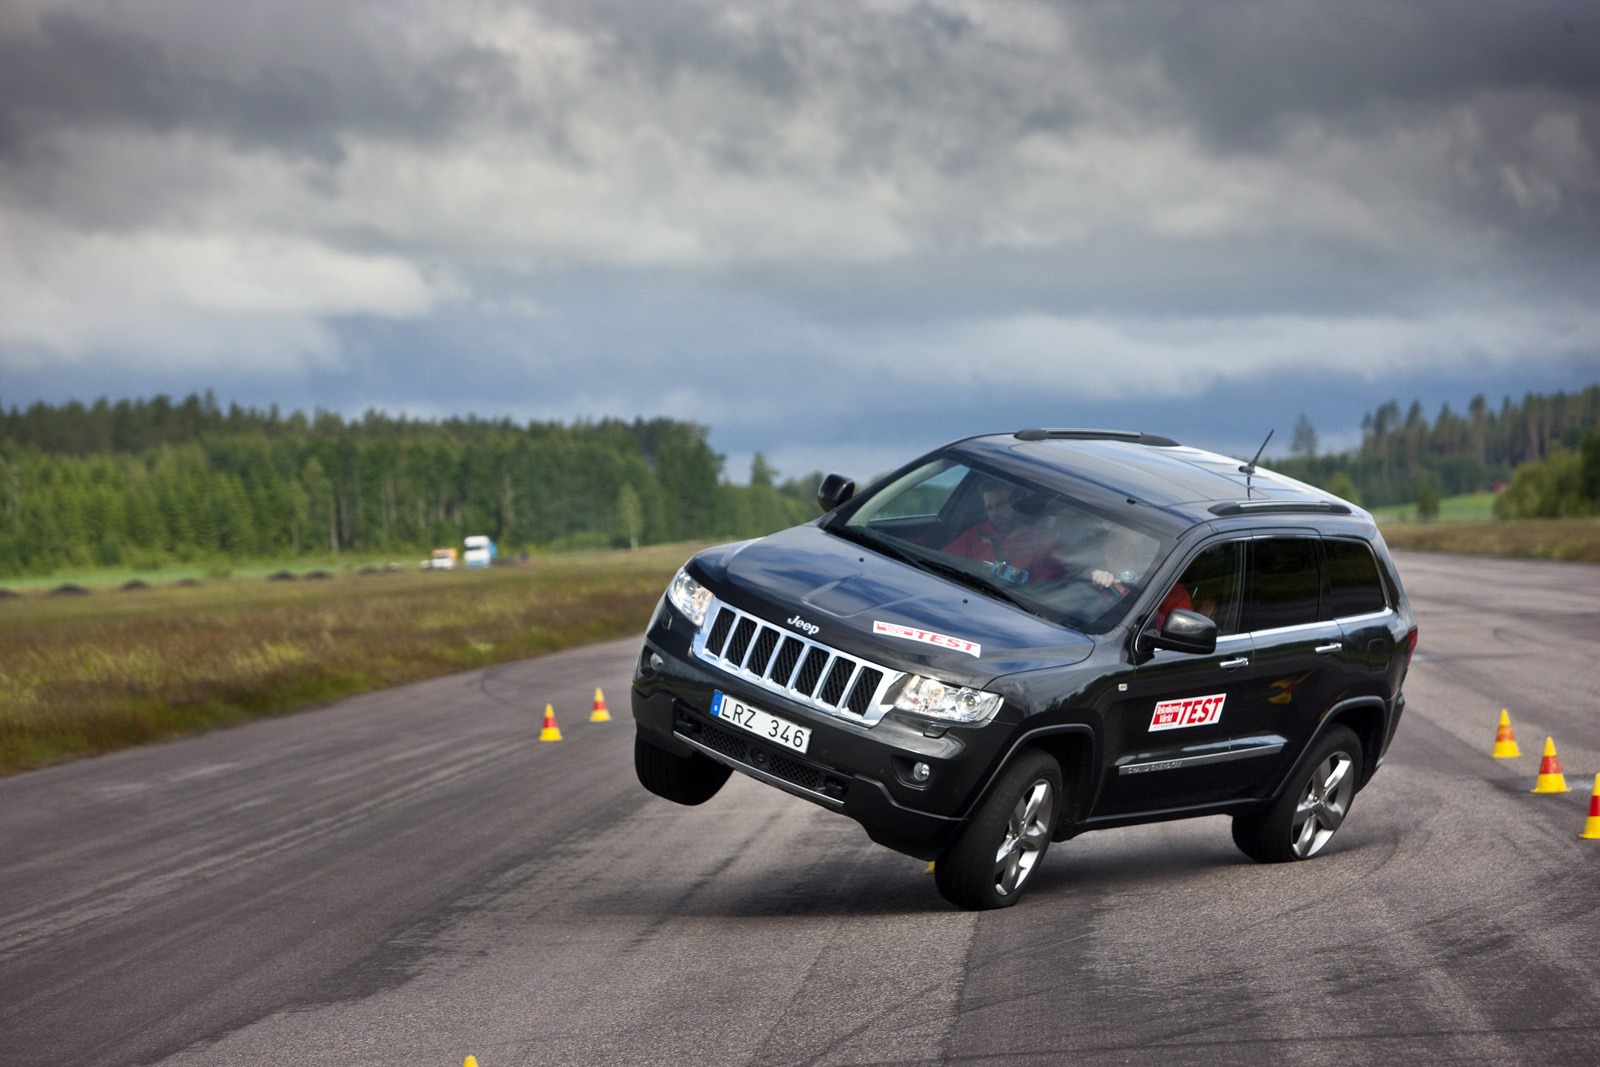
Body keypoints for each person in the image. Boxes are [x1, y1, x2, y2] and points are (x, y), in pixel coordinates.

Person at [943, 485, 1063, 581]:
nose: (995, 512)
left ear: (1017, 503)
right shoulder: (976, 534)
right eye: (989, 508)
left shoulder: (1042, 540)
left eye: (1000, 505)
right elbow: (944, 562)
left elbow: (1046, 590)